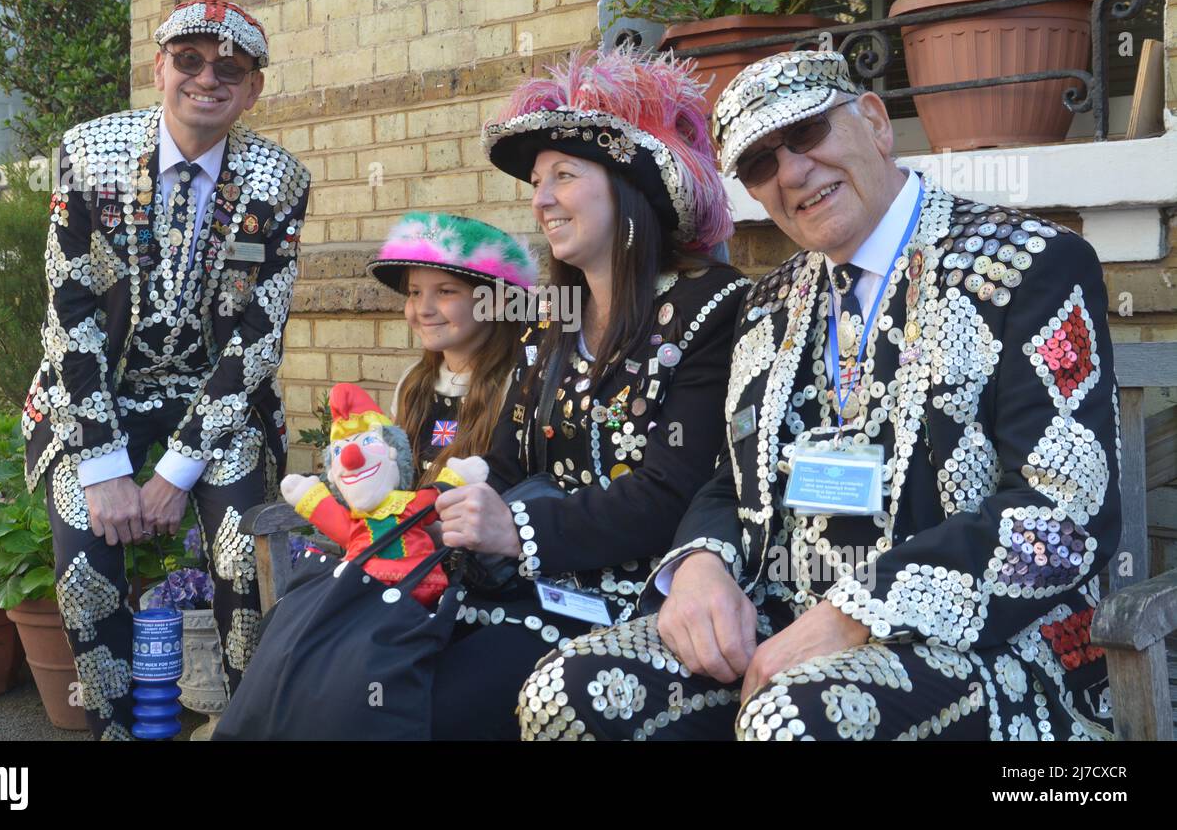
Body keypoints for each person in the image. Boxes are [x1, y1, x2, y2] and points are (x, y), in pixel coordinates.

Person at [521, 49, 1121, 741]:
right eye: (759, 165)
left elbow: (1065, 510)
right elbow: (730, 481)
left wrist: (856, 614)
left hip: (988, 643)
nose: (793, 172)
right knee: (567, 692)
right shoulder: (771, 301)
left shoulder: (1026, 264)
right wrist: (699, 566)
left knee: (792, 720)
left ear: (874, 122)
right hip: (785, 623)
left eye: (806, 135)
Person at [424, 45, 751, 738]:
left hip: (639, 605)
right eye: (537, 182)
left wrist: (517, 530)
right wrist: (448, 496)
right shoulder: (554, 317)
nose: (541, 199)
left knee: (444, 705)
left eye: (564, 176)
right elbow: (509, 461)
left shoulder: (713, 308)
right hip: (532, 587)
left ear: (629, 188)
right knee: (384, 663)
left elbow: (674, 492)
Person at [20, 0, 311, 739]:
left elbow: (256, 339)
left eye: (229, 68)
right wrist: (107, 464)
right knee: (85, 565)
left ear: (253, 90)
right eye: (187, 60)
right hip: (96, 396)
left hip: (216, 396)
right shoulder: (84, 152)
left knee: (247, 552)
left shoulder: (278, 182)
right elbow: (70, 315)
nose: (206, 78)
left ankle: (247, 726)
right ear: (159, 67)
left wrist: (174, 472)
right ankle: (116, 731)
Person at [367, 212, 535, 481]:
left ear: (495, 303)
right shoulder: (412, 382)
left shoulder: (514, 388)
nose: (423, 309)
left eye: (445, 291)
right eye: (415, 292)